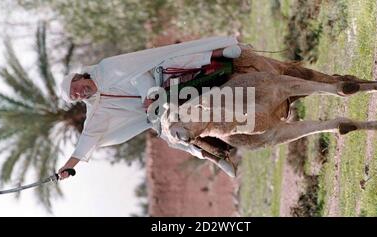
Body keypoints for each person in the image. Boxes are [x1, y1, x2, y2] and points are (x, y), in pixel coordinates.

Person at [58, 36, 242, 179]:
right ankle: (216, 158)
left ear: (78, 77)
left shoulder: (106, 67)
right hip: (153, 110)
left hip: (156, 78)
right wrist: (68, 166)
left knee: (171, 62)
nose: (80, 93)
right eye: (77, 97)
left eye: (76, 88)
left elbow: (138, 74)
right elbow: (86, 139)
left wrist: (149, 95)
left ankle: (220, 54)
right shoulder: (97, 110)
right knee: (170, 137)